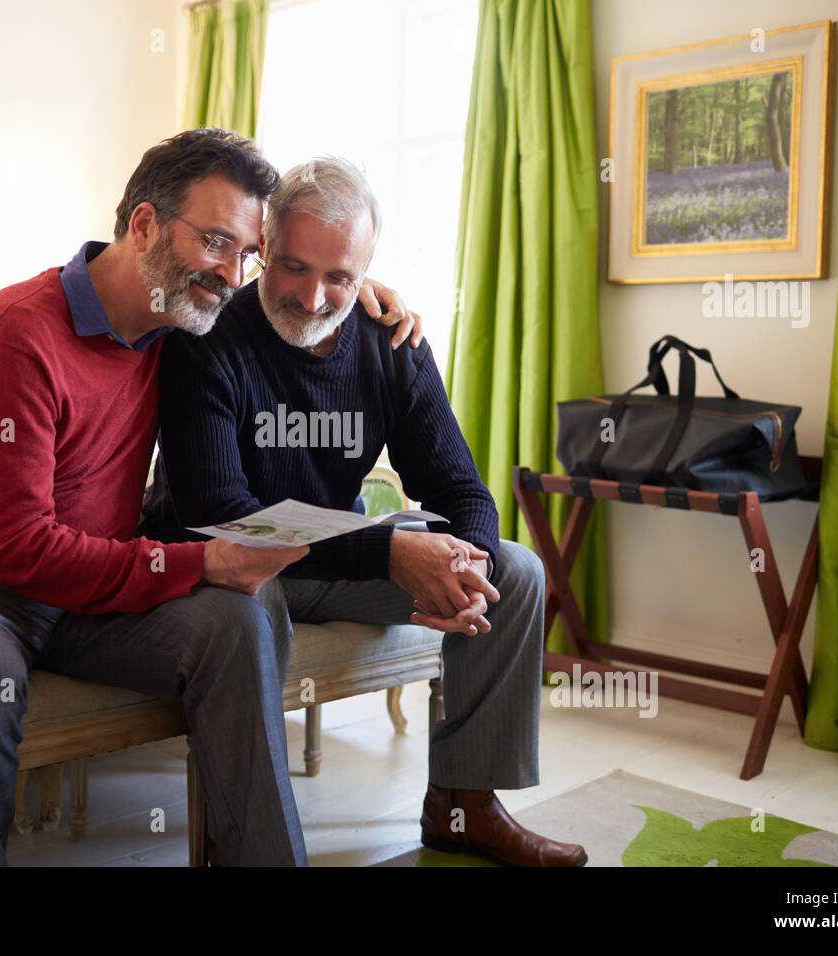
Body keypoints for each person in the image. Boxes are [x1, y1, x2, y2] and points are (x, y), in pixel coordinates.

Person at [0, 129, 421, 866]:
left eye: (245, 254)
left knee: (234, 623)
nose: (231, 274)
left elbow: (298, 296)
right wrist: (199, 564)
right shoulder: (18, 334)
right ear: (143, 225)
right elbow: (21, 550)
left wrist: (365, 298)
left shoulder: (180, 325)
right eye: (216, 243)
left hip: (82, 588)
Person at [136, 156, 588, 867]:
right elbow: (223, 515)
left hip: (335, 556)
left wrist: (463, 560)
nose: (314, 298)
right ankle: (238, 838)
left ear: (367, 269)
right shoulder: (209, 339)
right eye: (292, 267)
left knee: (518, 570)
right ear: (262, 249)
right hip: (229, 565)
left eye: (340, 277)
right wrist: (386, 551)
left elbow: (463, 491)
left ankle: (463, 807)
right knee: (244, 604)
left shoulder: (390, 342)